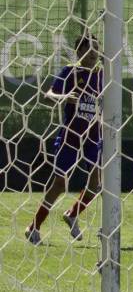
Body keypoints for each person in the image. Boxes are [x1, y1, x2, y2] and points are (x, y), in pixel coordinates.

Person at [25, 35, 103, 245]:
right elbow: (48, 95)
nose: (94, 52)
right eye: (89, 48)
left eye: (97, 48)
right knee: (60, 183)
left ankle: (72, 214)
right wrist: (65, 97)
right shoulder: (70, 72)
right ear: (79, 52)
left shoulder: (103, 75)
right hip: (71, 137)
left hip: (93, 137)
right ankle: (33, 227)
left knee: (96, 183)